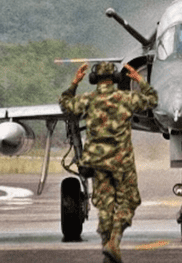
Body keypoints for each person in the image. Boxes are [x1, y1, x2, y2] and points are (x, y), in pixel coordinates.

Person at [59, 61, 158, 263]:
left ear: (95, 80)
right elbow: (152, 100)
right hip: (122, 161)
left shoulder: (87, 100)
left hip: (97, 162)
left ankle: (107, 249)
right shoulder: (126, 98)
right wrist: (140, 80)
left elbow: (65, 103)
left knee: (105, 205)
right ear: (115, 79)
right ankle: (114, 241)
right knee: (128, 201)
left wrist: (74, 83)